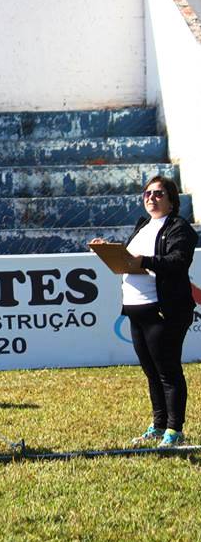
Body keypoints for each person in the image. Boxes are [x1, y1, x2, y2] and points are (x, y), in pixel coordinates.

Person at [92, 175, 198, 448]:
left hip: (163, 310)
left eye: (159, 193)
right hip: (136, 309)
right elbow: (130, 259)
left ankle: (174, 430)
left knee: (168, 371)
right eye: (147, 194)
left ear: (172, 201)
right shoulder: (143, 226)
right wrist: (109, 251)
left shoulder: (180, 228)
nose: (151, 198)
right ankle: (159, 424)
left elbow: (178, 261)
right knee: (151, 371)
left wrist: (145, 261)